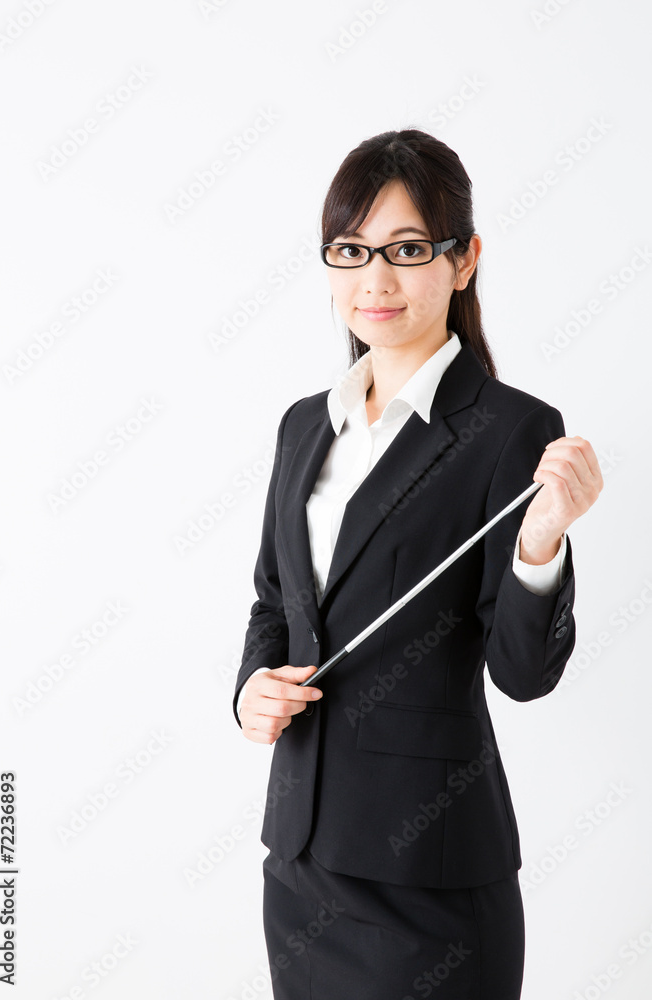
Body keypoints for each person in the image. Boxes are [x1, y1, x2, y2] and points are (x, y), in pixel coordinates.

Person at [232, 129, 602, 1000]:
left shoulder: (511, 429)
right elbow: (273, 604)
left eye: (406, 250)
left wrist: (541, 541)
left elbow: (523, 674)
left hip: (426, 879)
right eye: (351, 251)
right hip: (297, 864)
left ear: (463, 259)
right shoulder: (301, 426)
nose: (375, 281)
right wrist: (251, 687)